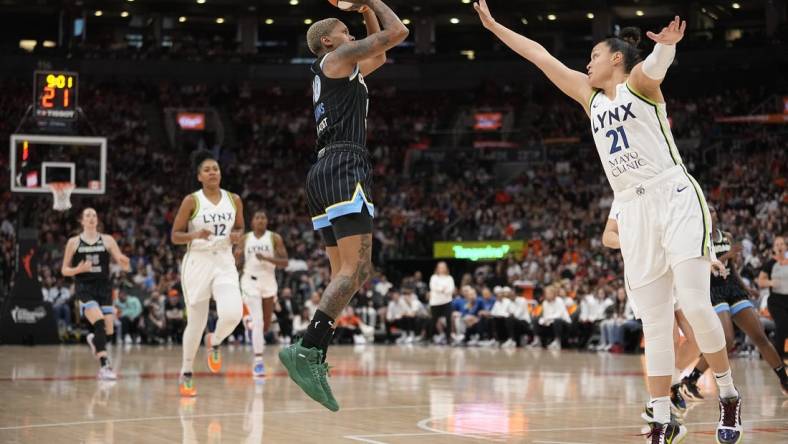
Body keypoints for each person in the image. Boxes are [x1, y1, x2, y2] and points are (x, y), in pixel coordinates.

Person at [475, 3, 745, 438]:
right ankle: (661, 418)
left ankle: (729, 395)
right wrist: (494, 26)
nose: (587, 63)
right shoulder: (590, 97)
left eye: (595, 56)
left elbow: (655, 68)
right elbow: (540, 56)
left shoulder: (638, 83)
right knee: (655, 323)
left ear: (616, 58)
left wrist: (667, 49)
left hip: (673, 194)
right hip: (631, 208)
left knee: (695, 303)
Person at [278, 0, 409, 412]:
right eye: (347, 31)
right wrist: (374, 1)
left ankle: (311, 349)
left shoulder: (337, 73)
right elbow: (396, 34)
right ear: (328, 40)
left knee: (349, 274)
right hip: (343, 163)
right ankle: (307, 349)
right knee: (357, 269)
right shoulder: (335, 57)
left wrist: (363, 11)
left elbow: (381, 54)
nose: (354, 36)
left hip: (322, 169)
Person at [171, 151, 245, 397]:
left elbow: (240, 228)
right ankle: (186, 371)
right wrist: (193, 235)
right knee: (196, 323)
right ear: (199, 176)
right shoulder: (191, 201)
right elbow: (175, 236)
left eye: (215, 168)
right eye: (207, 169)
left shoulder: (234, 199)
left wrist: (238, 237)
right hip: (198, 263)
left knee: (233, 314)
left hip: (223, 260)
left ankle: (214, 341)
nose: (213, 172)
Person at [61, 208, 131, 380]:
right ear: (82, 221)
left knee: (108, 331)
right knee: (99, 322)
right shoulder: (74, 242)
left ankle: (94, 340)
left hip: (104, 288)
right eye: (87, 215)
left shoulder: (107, 240)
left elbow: (123, 263)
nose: (91, 218)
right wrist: (78, 269)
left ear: (97, 220)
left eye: (94, 215)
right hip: (85, 288)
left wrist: (126, 264)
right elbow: (64, 270)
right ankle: (104, 367)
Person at [236, 210, 289, 377]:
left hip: (268, 281)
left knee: (265, 325)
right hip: (249, 281)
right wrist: (236, 257)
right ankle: (258, 361)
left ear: (267, 221)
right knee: (258, 322)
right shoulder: (245, 238)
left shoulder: (274, 238)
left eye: (263, 217)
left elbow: (285, 262)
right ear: (252, 222)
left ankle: (249, 322)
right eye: (257, 217)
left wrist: (267, 259)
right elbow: (236, 261)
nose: (260, 220)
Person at [758, 236, 788, 366]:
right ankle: (778, 360)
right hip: (776, 301)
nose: (780, 246)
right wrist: (770, 282)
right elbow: (760, 281)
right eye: (777, 245)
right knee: (782, 326)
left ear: (786, 247)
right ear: (774, 248)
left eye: (782, 244)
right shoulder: (770, 264)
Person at [429, 261, 456, 344]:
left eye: (443, 267)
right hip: (435, 302)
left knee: (449, 319)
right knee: (433, 320)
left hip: (447, 301)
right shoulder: (434, 277)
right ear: (437, 268)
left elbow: (451, 289)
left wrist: (443, 290)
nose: (442, 268)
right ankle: (430, 337)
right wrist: (442, 289)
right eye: (440, 267)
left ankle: (448, 338)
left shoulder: (449, 278)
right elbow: (433, 287)